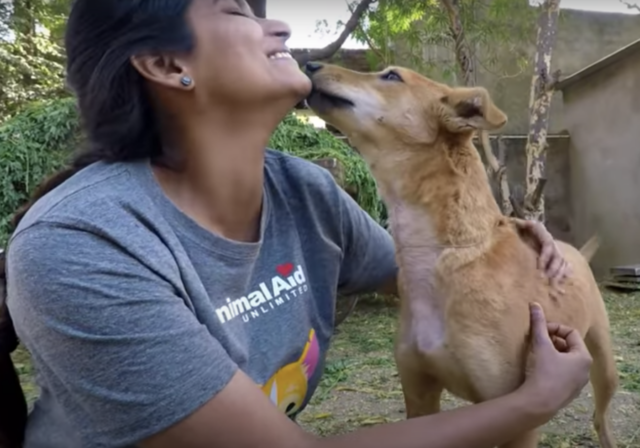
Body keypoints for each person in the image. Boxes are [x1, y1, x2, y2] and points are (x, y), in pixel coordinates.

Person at [0, 1, 592, 447]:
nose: (279, 27)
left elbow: (428, 276)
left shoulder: (303, 192)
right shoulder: (83, 243)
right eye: (236, 10)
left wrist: (507, 241)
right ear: (165, 63)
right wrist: (534, 400)